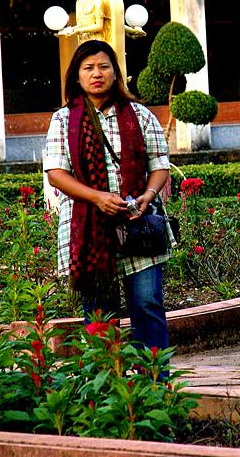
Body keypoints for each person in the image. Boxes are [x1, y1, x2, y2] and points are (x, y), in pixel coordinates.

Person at [42, 39, 171, 352]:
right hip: (89, 231)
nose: (96, 73)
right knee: (100, 315)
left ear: (115, 72)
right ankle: (109, 379)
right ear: (77, 76)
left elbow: (159, 165)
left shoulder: (140, 115)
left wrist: (148, 194)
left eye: (103, 66)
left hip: (137, 224)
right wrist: (97, 198)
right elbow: (56, 173)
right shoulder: (63, 120)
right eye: (88, 68)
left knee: (147, 305)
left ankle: (154, 378)